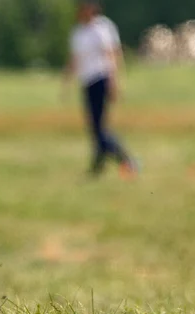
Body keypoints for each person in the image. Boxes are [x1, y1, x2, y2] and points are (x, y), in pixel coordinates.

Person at [63, 0, 138, 179]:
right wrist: (66, 81)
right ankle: (99, 165)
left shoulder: (103, 28)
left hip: (101, 79)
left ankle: (125, 160)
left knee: (99, 128)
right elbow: (75, 59)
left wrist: (114, 82)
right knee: (94, 126)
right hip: (87, 81)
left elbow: (112, 55)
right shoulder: (78, 32)